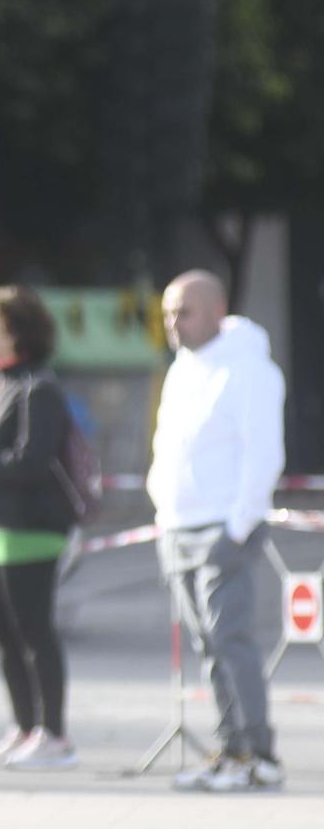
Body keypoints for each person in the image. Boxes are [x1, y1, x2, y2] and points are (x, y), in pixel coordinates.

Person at [148, 270, 287, 792]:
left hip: (222, 530)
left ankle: (259, 754)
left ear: (215, 309)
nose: (171, 323)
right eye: (166, 313)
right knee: (208, 648)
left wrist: (239, 525)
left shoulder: (248, 370)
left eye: (182, 311)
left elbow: (262, 454)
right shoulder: (185, 369)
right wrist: (163, 511)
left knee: (233, 640)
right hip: (178, 528)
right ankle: (229, 749)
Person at [0, 286, 79, 771]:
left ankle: (55, 735)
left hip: (30, 531)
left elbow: (30, 462)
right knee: (4, 636)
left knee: (34, 632)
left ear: (17, 333)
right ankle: (24, 727)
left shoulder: (39, 389)